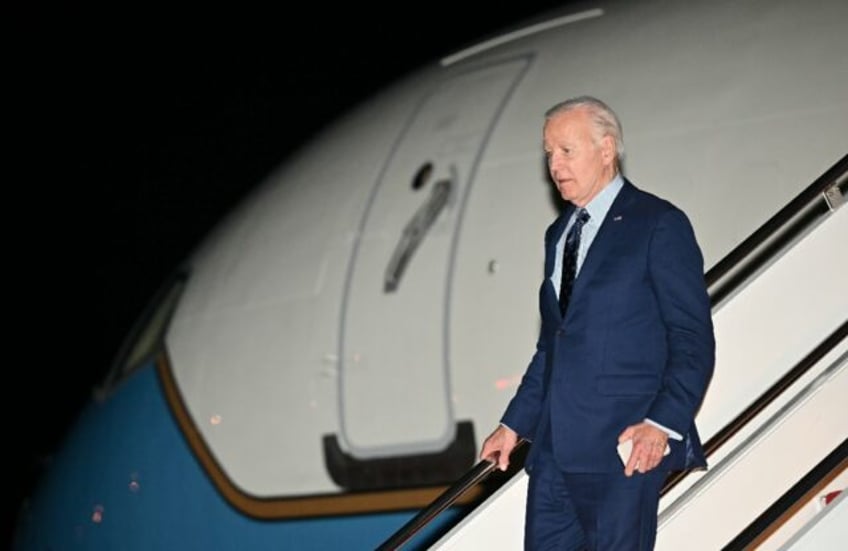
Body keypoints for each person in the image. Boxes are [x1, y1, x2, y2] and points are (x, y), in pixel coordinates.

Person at [480, 96, 715, 550]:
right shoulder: (560, 233)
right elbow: (553, 345)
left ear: (606, 150)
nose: (554, 164)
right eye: (549, 153)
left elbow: (692, 338)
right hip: (553, 453)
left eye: (567, 150)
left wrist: (662, 424)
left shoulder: (657, 224)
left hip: (622, 450)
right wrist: (513, 425)